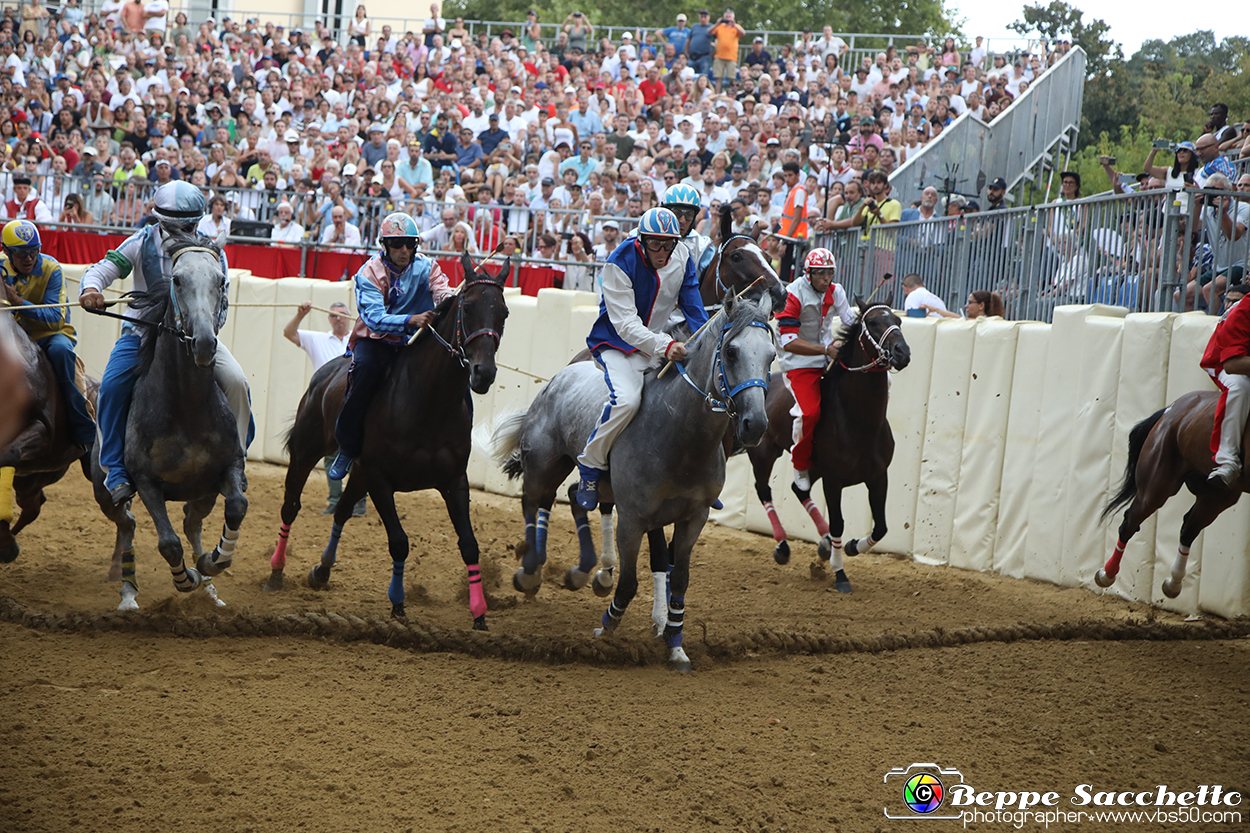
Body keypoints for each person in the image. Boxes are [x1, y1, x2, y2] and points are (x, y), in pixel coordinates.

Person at [79, 181, 253, 505]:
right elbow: (102, 270)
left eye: (188, 225)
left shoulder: (213, 253)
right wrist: (90, 289)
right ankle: (114, 468)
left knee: (238, 383)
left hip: (193, 338)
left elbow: (222, 302)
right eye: (175, 225)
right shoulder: (140, 242)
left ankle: (238, 458)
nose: (182, 230)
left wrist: (207, 330)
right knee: (112, 388)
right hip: (141, 336)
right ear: (159, 220)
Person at [574, 207, 708, 509]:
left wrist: (707, 339)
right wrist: (666, 345)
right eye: (655, 244)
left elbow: (692, 303)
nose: (663, 251)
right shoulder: (618, 262)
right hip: (616, 344)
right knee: (627, 401)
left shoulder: (682, 255)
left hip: (657, 343)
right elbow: (626, 325)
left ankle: (694, 478)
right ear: (641, 239)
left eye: (669, 244)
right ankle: (590, 464)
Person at [325, 213, 452, 481]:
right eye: (397, 244)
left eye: (409, 243)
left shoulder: (428, 267)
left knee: (455, 371)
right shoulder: (368, 273)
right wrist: (410, 320)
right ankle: (347, 448)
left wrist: (448, 300)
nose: (404, 250)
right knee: (365, 371)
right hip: (376, 342)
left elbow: (443, 293)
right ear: (385, 245)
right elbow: (373, 319)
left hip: (416, 342)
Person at [0, 220, 96, 451]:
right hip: (13, 338)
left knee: (61, 351)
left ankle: (81, 425)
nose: (29, 258)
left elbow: (56, 317)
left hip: (51, 336)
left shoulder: (52, 269)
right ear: (6, 252)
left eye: (34, 251)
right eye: (21, 253)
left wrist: (18, 302)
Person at [777, 248, 855, 490]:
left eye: (829, 273)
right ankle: (800, 464)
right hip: (798, 363)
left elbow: (850, 322)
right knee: (809, 413)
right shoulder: (792, 294)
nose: (826, 279)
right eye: (820, 274)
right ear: (808, 274)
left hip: (827, 356)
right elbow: (788, 342)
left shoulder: (837, 290)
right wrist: (825, 350)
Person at [283, 300, 365, 516]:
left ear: (350, 317)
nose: (338, 319)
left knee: (360, 453)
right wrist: (300, 314)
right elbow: (289, 333)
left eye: (342, 315)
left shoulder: (359, 339)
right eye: (333, 315)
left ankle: (358, 502)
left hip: (356, 402)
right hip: (327, 406)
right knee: (330, 457)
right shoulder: (317, 339)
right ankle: (335, 500)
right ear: (328, 319)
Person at [1200, 281, 1250, 486]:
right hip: (1224, 363)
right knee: (1240, 386)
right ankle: (1227, 461)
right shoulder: (1242, 311)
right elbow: (1232, 364)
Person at [925, 289, 1006, 319]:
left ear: (981, 306)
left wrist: (936, 310)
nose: (966, 306)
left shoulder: (984, 321)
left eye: (970, 303)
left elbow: (959, 319)